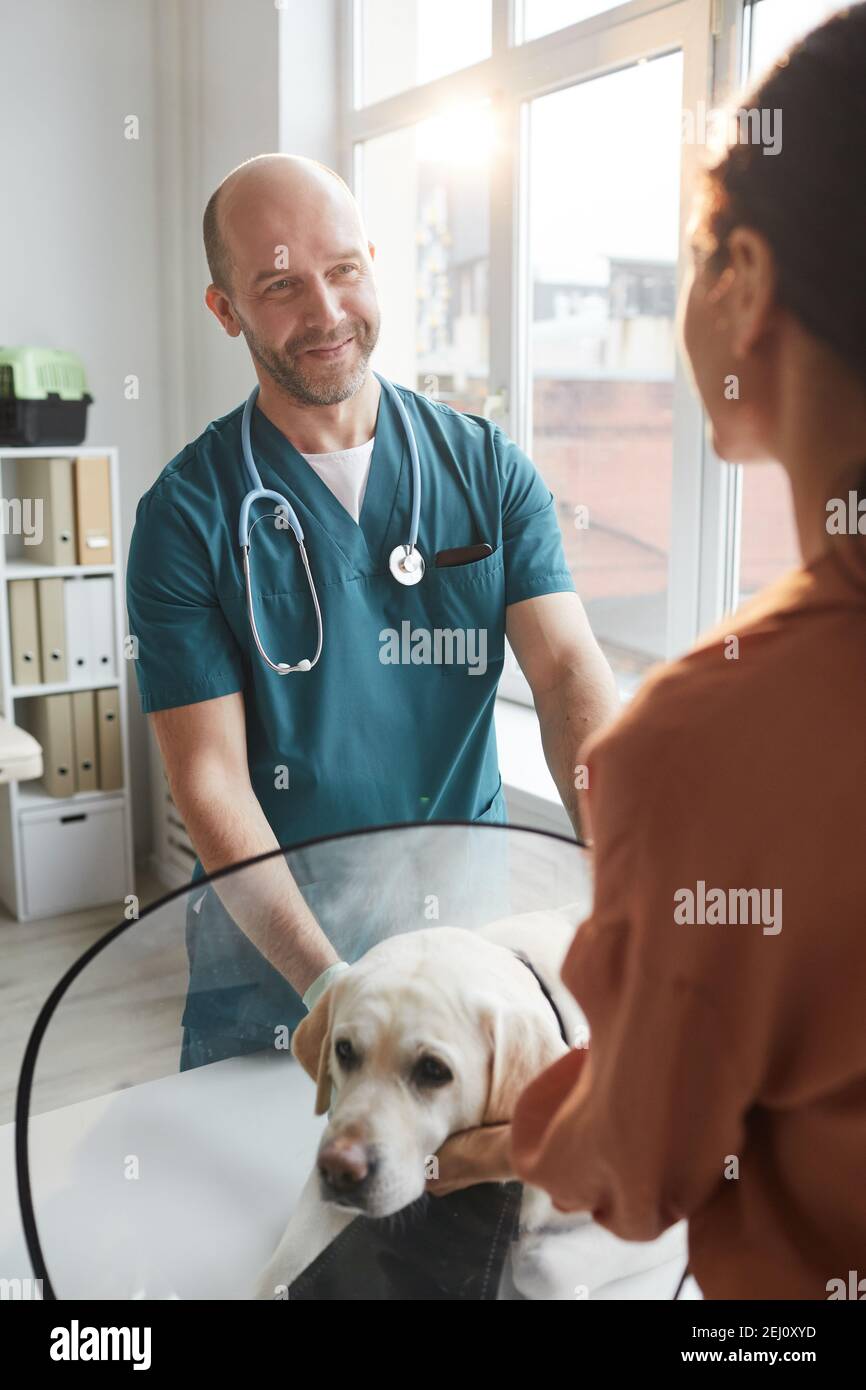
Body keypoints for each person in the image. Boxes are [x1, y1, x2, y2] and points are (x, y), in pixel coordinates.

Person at [429, 5, 866, 1300]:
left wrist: (524, 1127)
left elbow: (639, 1166)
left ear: (743, 280)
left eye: (687, 253)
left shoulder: (710, 743)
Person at [125, 154, 619, 1070]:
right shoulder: (186, 516)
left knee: (464, 1203)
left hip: (459, 953)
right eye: (279, 285)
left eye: (343, 269)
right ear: (225, 309)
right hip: (275, 979)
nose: (325, 313)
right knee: (265, 1207)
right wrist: (328, 987)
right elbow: (212, 781)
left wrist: (625, 878)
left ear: (374, 264)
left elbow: (564, 676)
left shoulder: (487, 471)